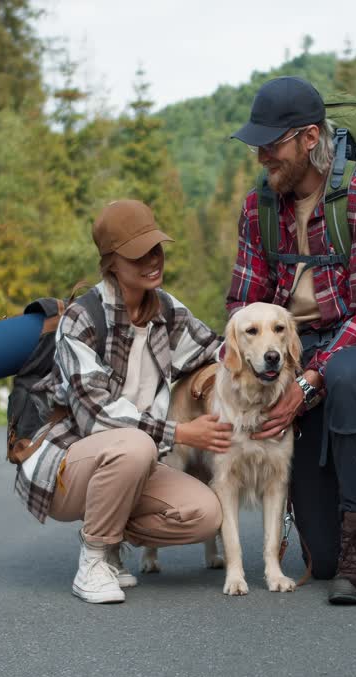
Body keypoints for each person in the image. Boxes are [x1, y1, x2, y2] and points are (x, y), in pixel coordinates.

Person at [226, 76, 356, 605]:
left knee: (345, 371)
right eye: (258, 143)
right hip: (290, 355)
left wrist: (307, 385)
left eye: (273, 142)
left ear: (310, 138)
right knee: (324, 556)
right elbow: (242, 306)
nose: (262, 154)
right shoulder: (259, 209)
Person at [16, 199, 232, 604]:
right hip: (67, 464)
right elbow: (99, 418)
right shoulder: (81, 320)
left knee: (206, 514)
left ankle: (113, 535)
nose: (153, 261)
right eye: (138, 255)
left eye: (156, 248)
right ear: (111, 262)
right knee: (135, 443)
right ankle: (94, 557)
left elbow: (215, 351)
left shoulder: (168, 310)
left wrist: (267, 356)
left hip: (135, 461)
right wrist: (183, 432)